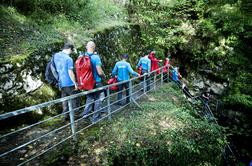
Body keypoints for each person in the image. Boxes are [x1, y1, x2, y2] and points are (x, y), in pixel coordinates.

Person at [80, 41, 106, 123]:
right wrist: (104, 76)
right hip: (96, 82)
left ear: (86, 47)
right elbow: (99, 72)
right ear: (94, 47)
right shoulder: (95, 57)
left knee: (90, 98)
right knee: (99, 98)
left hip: (86, 83)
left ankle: (86, 115)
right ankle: (96, 118)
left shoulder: (81, 57)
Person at [54, 43, 78, 121]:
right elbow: (70, 72)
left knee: (64, 100)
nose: (71, 53)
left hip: (61, 83)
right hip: (69, 83)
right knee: (74, 99)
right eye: (71, 51)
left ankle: (65, 116)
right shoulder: (68, 59)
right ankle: (74, 117)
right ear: (69, 49)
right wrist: (75, 83)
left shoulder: (56, 56)